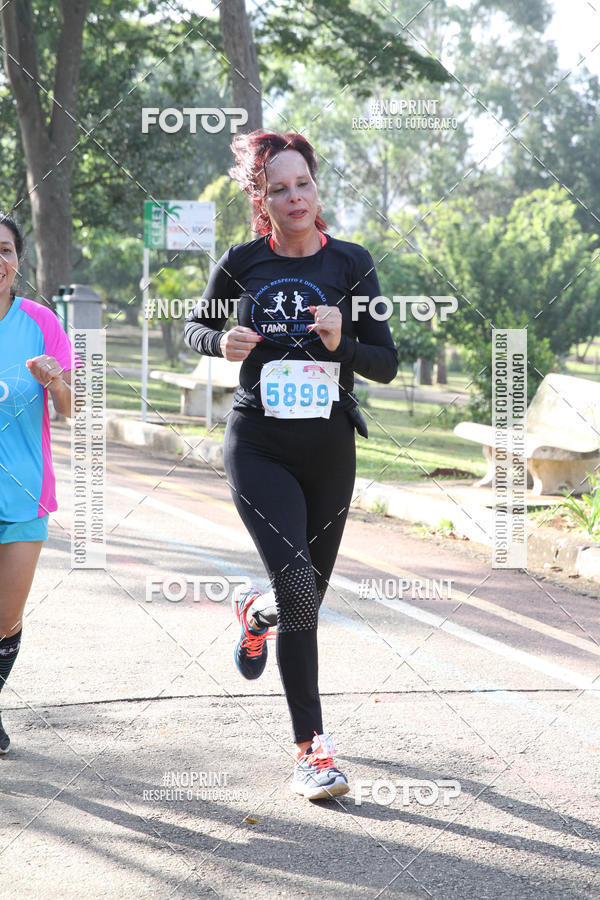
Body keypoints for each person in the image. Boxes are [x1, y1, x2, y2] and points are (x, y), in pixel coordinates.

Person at [184, 131, 398, 800]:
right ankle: (312, 751)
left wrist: (343, 345)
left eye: (302, 183)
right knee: (300, 589)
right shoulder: (242, 263)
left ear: (316, 187)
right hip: (259, 446)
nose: (294, 197)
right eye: (278, 188)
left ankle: (256, 610)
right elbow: (193, 327)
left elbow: (387, 362)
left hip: (330, 450)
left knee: (301, 603)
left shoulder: (353, 264)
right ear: (261, 197)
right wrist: (220, 340)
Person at [0, 213, 74, 754]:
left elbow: (74, 410)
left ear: (17, 260)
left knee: (5, 616)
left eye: (4, 249)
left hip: (25, 492)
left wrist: (55, 381)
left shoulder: (41, 322)